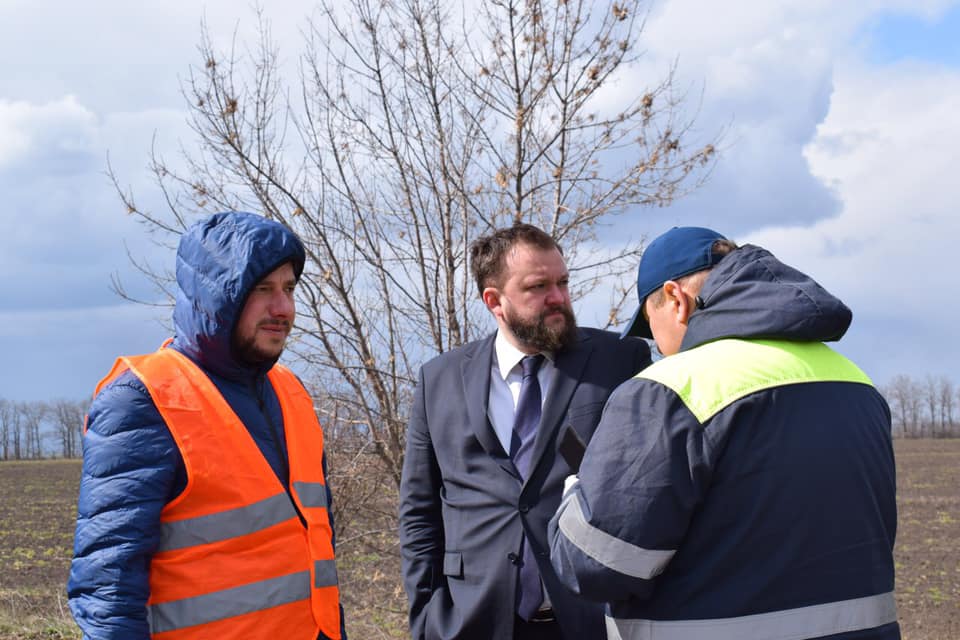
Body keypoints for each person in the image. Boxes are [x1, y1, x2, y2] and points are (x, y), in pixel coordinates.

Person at [549, 226, 899, 639]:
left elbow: (594, 565)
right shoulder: (852, 381)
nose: (658, 347)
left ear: (676, 300)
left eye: (649, 324)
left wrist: (577, 488)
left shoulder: (672, 388)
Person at [68, 211, 346, 640]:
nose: (283, 308)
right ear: (217, 297)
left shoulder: (292, 393)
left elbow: (313, 555)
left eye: (289, 289)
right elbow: (109, 588)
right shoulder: (144, 400)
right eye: (263, 289)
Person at [399, 223, 652, 640]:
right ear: (494, 301)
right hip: (470, 621)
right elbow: (419, 511)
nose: (558, 298)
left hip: (591, 619)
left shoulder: (620, 361)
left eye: (563, 282)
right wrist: (426, 615)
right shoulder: (439, 380)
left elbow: (648, 489)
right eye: (538, 287)